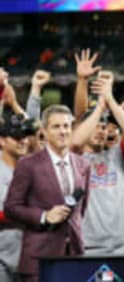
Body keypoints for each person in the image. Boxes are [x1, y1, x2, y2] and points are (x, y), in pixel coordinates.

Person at [5, 105, 90, 282]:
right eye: (56, 126)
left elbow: (81, 209)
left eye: (66, 126)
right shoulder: (28, 165)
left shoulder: (83, 164)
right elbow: (11, 207)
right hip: (39, 260)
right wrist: (44, 216)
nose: (63, 131)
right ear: (44, 131)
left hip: (75, 256)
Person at [71, 72, 124, 255]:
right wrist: (98, 109)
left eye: (103, 126)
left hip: (122, 246)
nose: (100, 130)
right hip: (87, 245)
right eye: (95, 125)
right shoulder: (75, 159)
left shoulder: (117, 155)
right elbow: (76, 143)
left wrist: (109, 100)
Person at [0, 115, 30, 282]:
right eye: (17, 137)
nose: (23, 141)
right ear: (2, 141)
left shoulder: (33, 169)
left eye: (25, 137)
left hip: (26, 256)